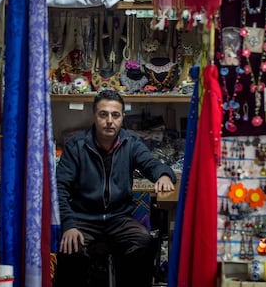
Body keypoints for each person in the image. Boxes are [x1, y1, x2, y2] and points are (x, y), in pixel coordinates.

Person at [55, 89, 177, 287]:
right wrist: (69, 224)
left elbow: (151, 164)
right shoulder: (76, 146)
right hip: (83, 218)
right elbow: (59, 187)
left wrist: (163, 175)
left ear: (122, 117)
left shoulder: (131, 143)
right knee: (71, 248)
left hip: (118, 219)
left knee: (143, 242)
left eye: (115, 115)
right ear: (94, 116)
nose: (109, 121)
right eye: (103, 114)